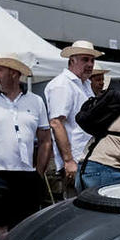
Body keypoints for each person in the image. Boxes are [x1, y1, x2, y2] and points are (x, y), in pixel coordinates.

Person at [0, 53, 52, 234]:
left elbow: (45, 140)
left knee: (25, 230)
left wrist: (38, 172)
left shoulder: (36, 101)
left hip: (27, 177)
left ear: (14, 73)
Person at [44, 40, 102, 199]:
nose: (90, 64)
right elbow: (56, 123)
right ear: (72, 60)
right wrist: (68, 161)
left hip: (87, 158)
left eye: (92, 60)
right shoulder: (63, 85)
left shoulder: (84, 85)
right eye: (85, 59)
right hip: (76, 159)